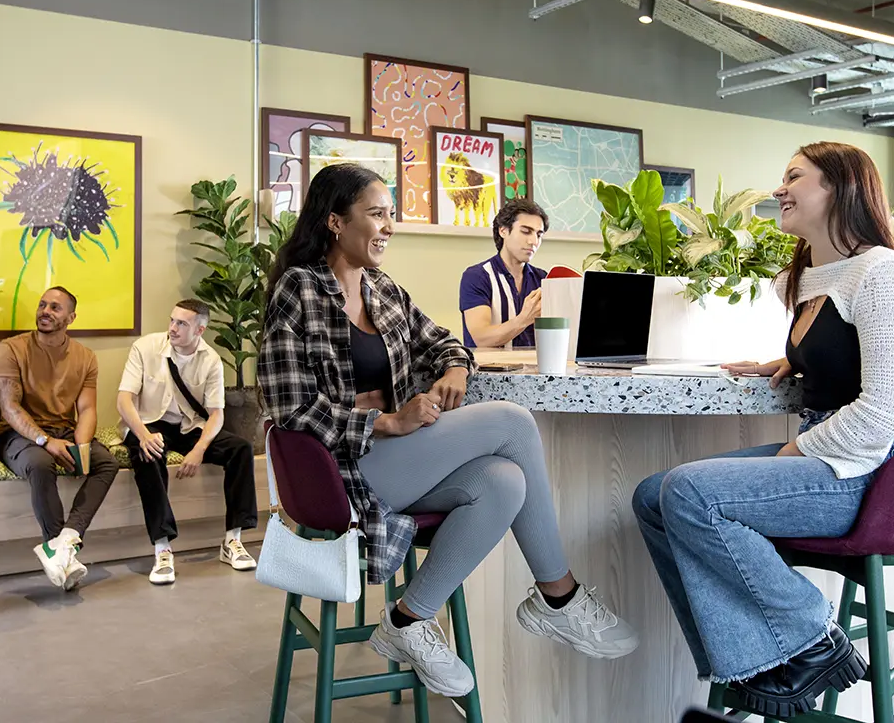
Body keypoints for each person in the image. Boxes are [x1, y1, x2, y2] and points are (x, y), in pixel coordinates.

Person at [259, 163, 637, 699]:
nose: (388, 225)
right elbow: (288, 404)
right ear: (335, 222)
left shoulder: (383, 290)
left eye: (391, 214)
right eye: (375, 214)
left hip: (394, 463)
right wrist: (385, 421)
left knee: (504, 480)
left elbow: (447, 343)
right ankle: (560, 596)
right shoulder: (298, 290)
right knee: (512, 420)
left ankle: (409, 619)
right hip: (340, 472)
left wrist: (455, 370)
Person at [631, 142, 894, 719]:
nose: (778, 189)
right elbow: (843, 348)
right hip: (835, 455)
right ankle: (766, 663)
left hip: (873, 466)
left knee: (688, 493)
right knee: (652, 496)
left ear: (840, 188)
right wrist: (796, 359)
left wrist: (795, 451)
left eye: (794, 176)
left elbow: (887, 409)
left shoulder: (883, 271)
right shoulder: (809, 275)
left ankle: (810, 637)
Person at [116, 299, 259, 585]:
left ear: (199, 330)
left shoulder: (210, 360)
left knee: (240, 449)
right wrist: (143, 435)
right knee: (149, 454)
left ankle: (232, 540)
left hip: (188, 426)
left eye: (182, 323)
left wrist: (198, 450)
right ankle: (162, 547)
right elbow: (124, 400)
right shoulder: (145, 348)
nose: (173, 328)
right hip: (148, 422)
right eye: (172, 320)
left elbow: (217, 414)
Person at [0, 286, 119, 590]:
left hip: (64, 429)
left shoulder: (85, 357)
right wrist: (45, 442)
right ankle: (55, 545)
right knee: (39, 463)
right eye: (42, 305)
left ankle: (65, 541)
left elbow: (87, 409)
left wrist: (83, 448)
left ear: (71, 317)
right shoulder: (10, 349)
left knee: (107, 463)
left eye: (55, 308)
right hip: (18, 434)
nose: (45, 311)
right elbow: (10, 408)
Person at [459, 198, 549, 349]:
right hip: (490, 371)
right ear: (503, 231)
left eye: (539, 235)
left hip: (536, 370)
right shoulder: (477, 276)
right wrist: (524, 318)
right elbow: (482, 339)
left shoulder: (543, 278)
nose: (533, 241)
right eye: (526, 232)